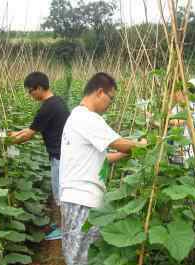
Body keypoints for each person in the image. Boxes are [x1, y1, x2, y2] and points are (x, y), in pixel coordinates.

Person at [59, 72, 145, 265]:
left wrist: (127, 153)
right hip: (82, 200)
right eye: (111, 99)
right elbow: (120, 144)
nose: (110, 105)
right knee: (84, 256)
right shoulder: (88, 118)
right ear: (99, 92)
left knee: (83, 253)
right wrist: (145, 145)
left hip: (78, 198)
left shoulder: (76, 116)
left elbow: (102, 157)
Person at [8, 71, 70, 240]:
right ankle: (65, 225)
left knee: (61, 195)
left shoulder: (47, 108)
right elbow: (30, 128)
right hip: (64, 153)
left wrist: (7, 143)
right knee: (62, 193)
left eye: (31, 91)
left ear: (40, 88)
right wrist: (14, 134)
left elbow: (29, 134)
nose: (30, 95)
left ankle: (66, 231)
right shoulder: (56, 101)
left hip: (60, 156)